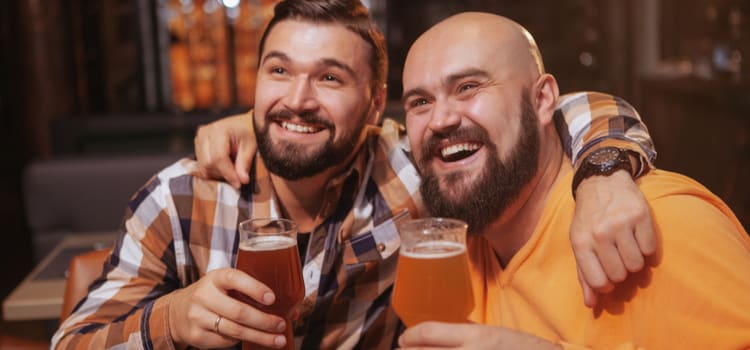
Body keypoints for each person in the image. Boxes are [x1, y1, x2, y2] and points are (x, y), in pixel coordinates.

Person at [52, 1, 657, 349]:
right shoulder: (181, 198)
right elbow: (72, 342)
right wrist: (171, 319)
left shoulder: (410, 167)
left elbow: (554, 109)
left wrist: (603, 172)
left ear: (374, 107)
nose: (298, 99)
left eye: (331, 78)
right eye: (279, 72)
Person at [393, 12, 750, 349]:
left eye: (468, 87)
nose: (439, 119)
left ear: (543, 99)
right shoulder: (452, 254)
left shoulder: (663, 223)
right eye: (420, 101)